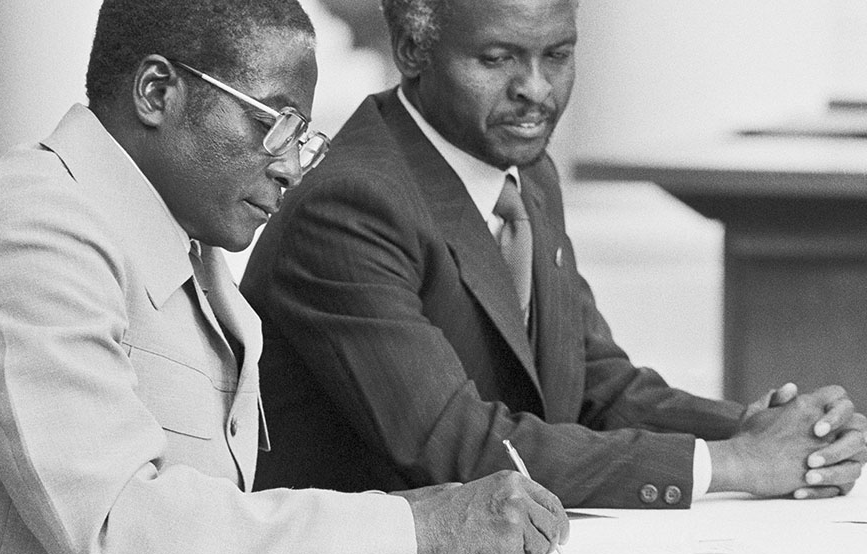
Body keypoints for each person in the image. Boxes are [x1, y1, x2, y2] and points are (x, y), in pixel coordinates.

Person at [0, 1, 569, 554]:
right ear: (155, 92)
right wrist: (420, 528)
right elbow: (124, 532)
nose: (294, 166)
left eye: (305, 136)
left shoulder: (180, 243)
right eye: (273, 123)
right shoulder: (28, 236)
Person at [241, 0, 867, 509]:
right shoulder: (351, 207)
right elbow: (457, 449)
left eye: (558, 56)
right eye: (497, 58)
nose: (535, 90)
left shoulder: (525, 172)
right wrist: (736, 464)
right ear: (412, 52)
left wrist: (762, 433)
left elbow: (598, 383)